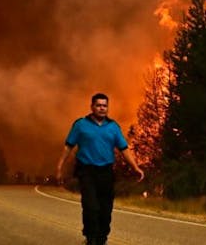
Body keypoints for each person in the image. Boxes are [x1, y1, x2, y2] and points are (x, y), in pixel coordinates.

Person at [56, 93, 144, 245]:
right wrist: (59, 166)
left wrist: (135, 167)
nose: (102, 108)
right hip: (86, 171)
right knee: (91, 207)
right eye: (98, 105)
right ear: (92, 107)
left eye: (104, 105)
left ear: (107, 108)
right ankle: (90, 238)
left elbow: (124, 149)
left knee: (105, 209)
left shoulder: (113, 127)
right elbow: (68, 146)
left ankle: (102, 238)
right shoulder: (80, 125)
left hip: (106, 172)